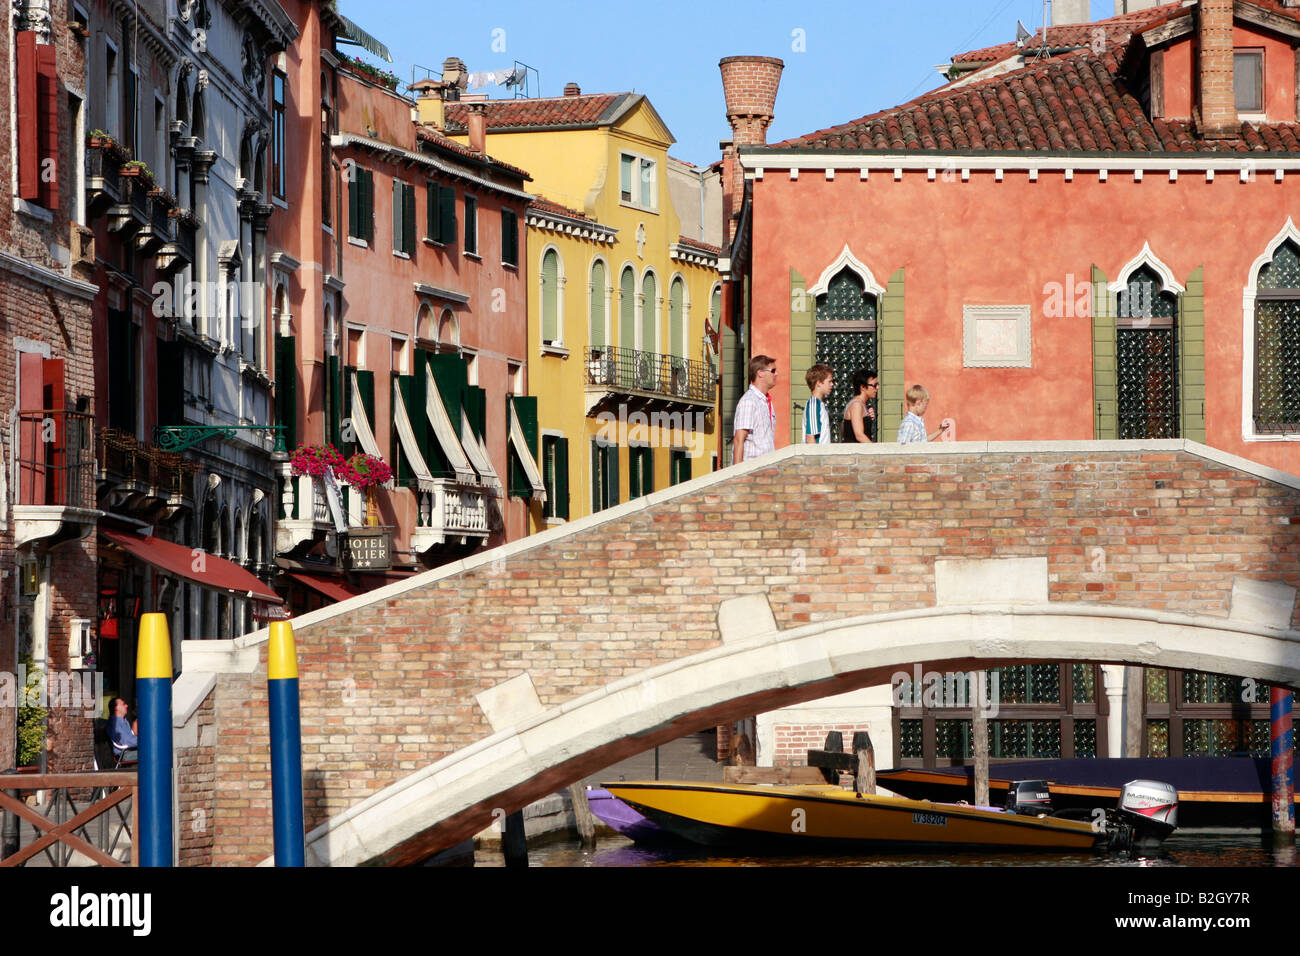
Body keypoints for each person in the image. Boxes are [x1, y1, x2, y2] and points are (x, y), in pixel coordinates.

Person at [733, 355, 778, 463]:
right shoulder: (749, 402)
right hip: (751, 471)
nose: (776, 374)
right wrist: (738, 475)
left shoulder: (766, 401)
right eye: (773, 370)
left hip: (766, 469)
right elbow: (739, 440)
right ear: (760, 373)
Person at [842, 369, 878, 443]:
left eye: (877, 385)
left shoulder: (862, 404)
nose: (877, 388)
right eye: (874, 385)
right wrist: (875, 452)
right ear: (862, 387)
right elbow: (859, 435)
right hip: (854, 452)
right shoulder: (856, 405)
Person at [803, 364, 834, 444]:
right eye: (829, 381)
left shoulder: (819, 404)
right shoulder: (813, 404)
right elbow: (810, 437)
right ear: (819, 383)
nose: (832, 384)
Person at [107, 696, 138, 762]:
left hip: (129, 751)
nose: (127, 706)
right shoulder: (114, 724)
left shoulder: (123, 721)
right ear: (116, 708)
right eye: (124, 704)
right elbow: (126, 740)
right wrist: (145, 742)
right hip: (124, 754)